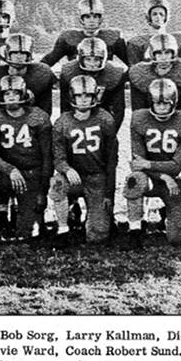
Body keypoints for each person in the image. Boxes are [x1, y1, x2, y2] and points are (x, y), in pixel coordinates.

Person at [0, 75, 53, 243]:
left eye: (15, 93)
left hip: (32, 174)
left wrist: (42, 190)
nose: (11, 97)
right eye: (6, 93)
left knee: (27, 234)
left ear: (24, 94)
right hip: (7, 174)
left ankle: (25, 217)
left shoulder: (39, 117)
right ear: (1, 96)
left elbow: (48, 157)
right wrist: (10, 169)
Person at [124, 79, 181, 246]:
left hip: (178, 181)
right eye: (158, 104)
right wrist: (164, 176)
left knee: (176, 238)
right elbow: (137, 163)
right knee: (134, 180)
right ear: (150, 102)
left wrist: (149, 165)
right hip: (156, 179)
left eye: (166, 104)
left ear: (174, 103)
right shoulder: (139, 118)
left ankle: (173, 214)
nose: (162, 108)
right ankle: (135, 229)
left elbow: (177, 165)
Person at [49, 75, 118, 245]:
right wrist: (67, 169)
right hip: (73, 177)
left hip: (97, 177)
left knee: (98, 235)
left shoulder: (105, 119)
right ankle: (63, 228)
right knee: (57, 184)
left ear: (95, 96)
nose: (83, 100)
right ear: (72, 96)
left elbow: (111, 161)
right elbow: (58, 158)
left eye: (87, 95)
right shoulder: (62, 122)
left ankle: (92, 217)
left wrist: (109, 193)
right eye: (79, 96)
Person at [59, 37, 127, 128]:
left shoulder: (114, 73)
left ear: (103, 58)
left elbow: (118, 109)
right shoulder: (68, 72)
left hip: (102, 113)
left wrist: (111, 132)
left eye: (96, 59)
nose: (92, 64)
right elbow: (65, 106)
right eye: (88, 59)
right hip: (77, 114)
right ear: (80, 58)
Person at [41, 0, 127, 68]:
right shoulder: (68, 38)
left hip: (104, 81)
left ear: (100, 18)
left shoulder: (113, 37)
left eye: (95, 16)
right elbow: (47, 62)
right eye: (87, 17)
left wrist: (121, 80)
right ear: (81, 19)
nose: (91, 21)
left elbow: (131, 63)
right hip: (77, 81)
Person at [129, 33, 181, 112]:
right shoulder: (139, 73)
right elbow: (138, 111)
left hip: (177, 116)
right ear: (152, 54)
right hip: (150, 117)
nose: (164, 58)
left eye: (167, 52)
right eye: (159, 53)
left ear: (173, 53)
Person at [126, 0, 181, 66]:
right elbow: (135, 69)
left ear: (166, 17)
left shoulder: (179, 39)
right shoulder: (136, 42)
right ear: (149, 17)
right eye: (154, 14)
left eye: (161, 14)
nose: (158, 17)